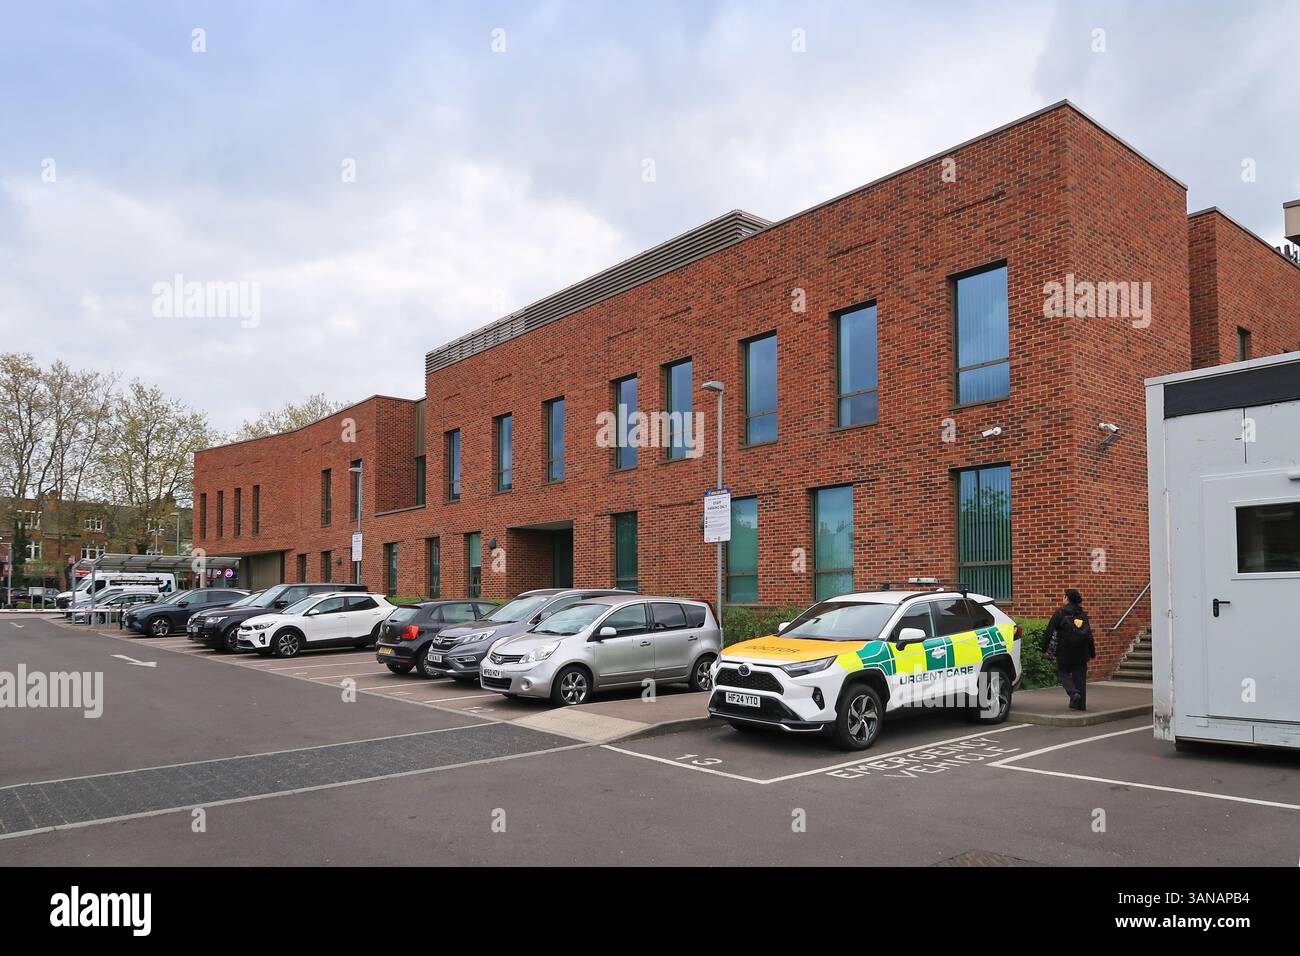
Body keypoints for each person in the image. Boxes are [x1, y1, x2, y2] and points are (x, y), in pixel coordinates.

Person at [1042, 588, 1095, 710]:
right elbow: (1089, 635)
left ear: (1067, 598)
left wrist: (1044, 648)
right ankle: (1080, 705)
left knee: (1063, 673)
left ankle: (1073, 693)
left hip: (1065, 651)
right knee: (1080, 678)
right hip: (1082, 652)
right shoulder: (1082, 614)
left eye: (1063, 596)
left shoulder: (1060, 613)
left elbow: (1049, 631)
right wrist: (1092, 652)